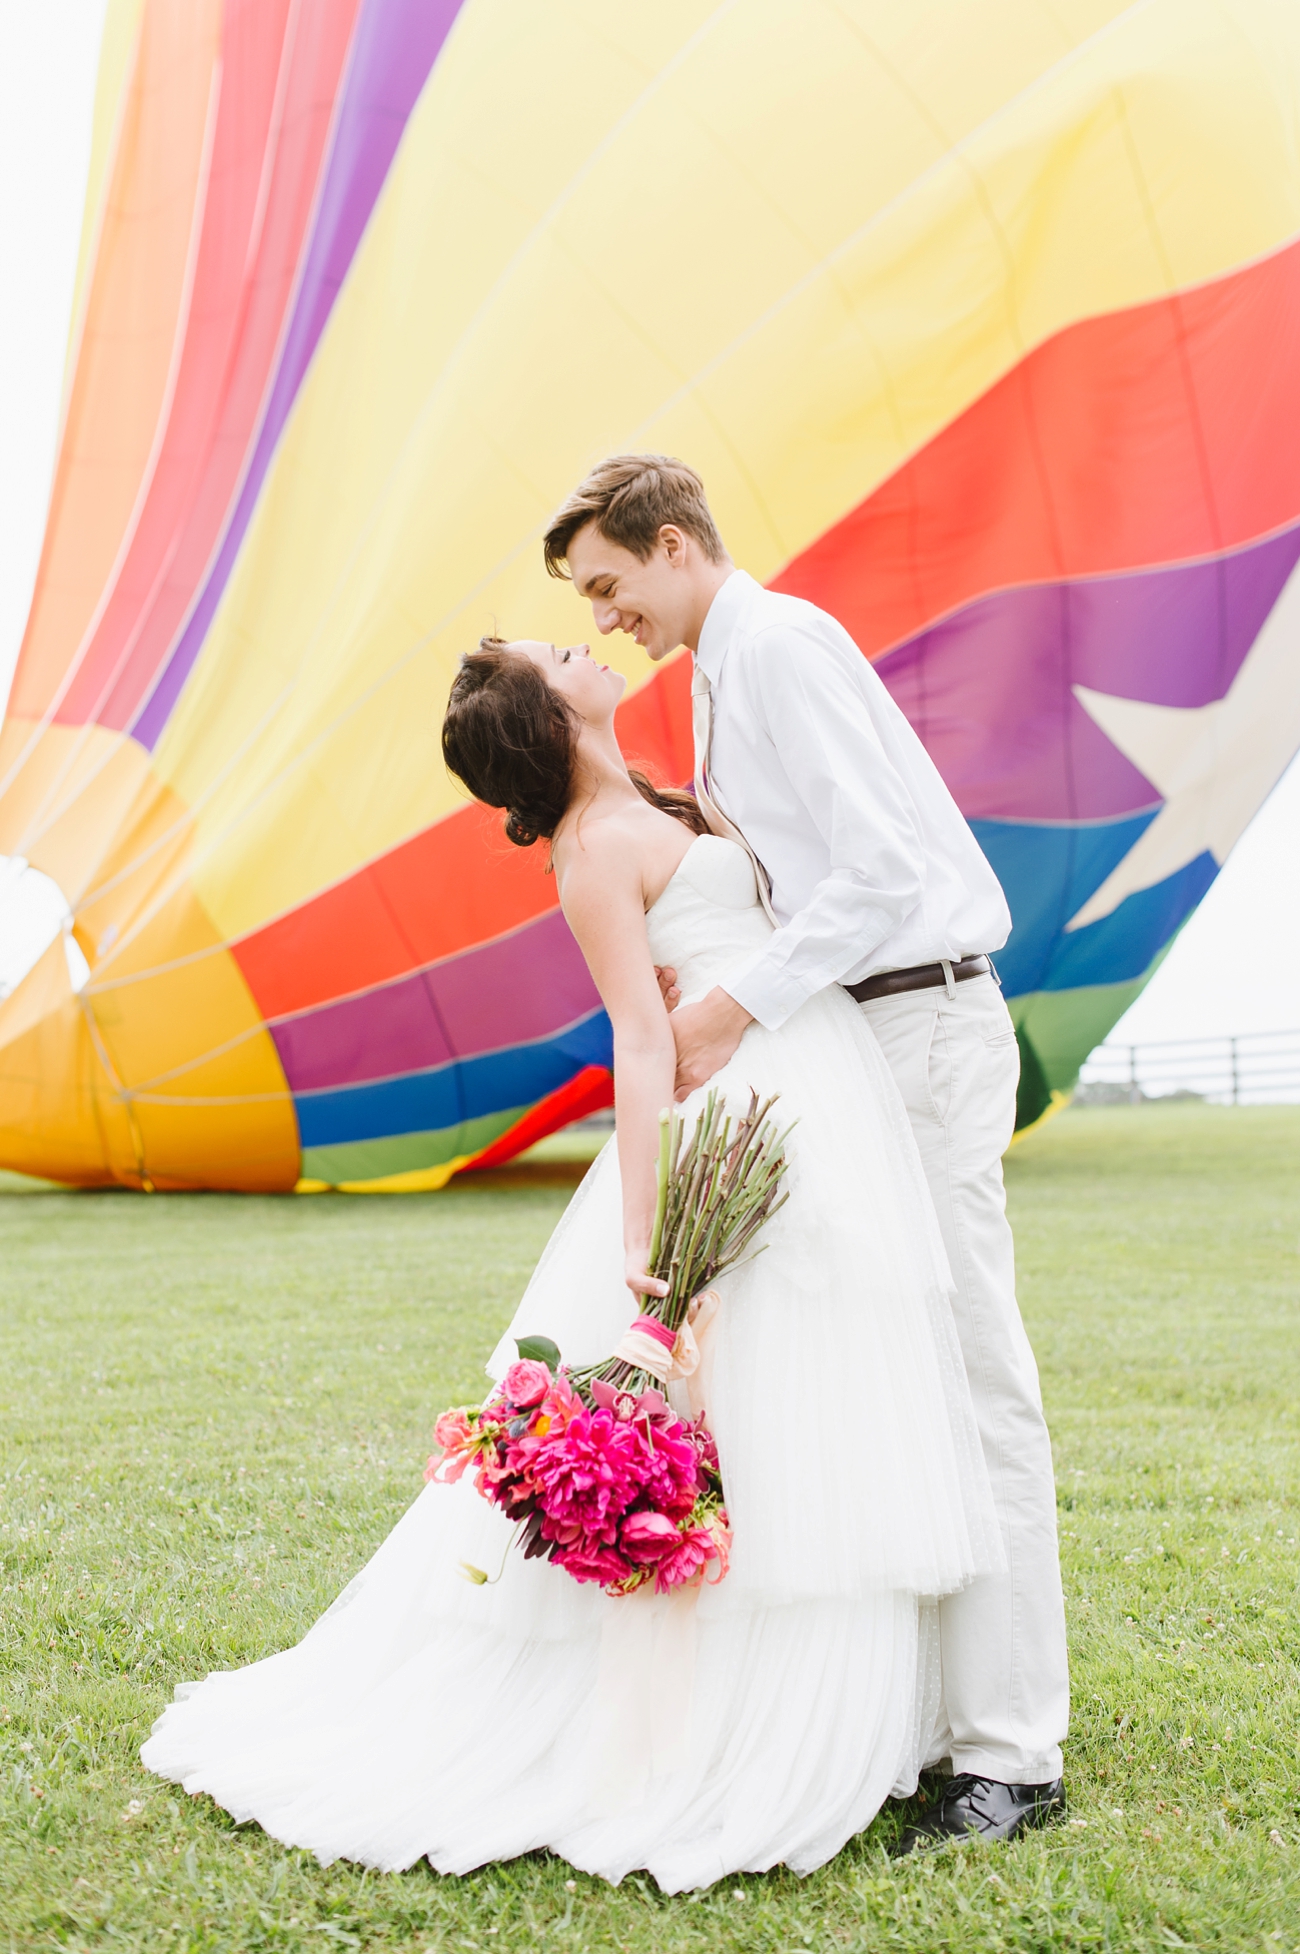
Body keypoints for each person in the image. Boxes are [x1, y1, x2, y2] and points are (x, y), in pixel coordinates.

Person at [141, 631, 1008, 1889]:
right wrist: (650, 1243)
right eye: (555, 651)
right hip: (736, 1104)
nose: (583, 640)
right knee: (753, 1403)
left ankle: (874, 1709)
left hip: (818, 1082)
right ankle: (725, 1724)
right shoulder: (592, 850)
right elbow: (641, 1047)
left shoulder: (661, 794)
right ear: (548, 717)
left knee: (822, 1392)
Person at [543, 453, 1069, 1850]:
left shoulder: (779, 646)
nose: (609, 620)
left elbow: (882, 872)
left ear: (672, 543)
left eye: (612, 586)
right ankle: (930, 1720)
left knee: (972, 1371)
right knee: (893, 1370)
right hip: (855, 1039)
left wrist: (728, 1003)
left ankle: (1012, 1748)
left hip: (924, 1022)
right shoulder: (722, 672)